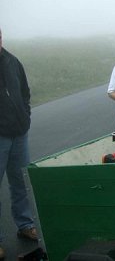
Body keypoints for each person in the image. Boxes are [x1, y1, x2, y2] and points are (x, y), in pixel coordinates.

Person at [0, 28, 38, 259]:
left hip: (19, 134)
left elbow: (24, 92)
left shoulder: (12, 61)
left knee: (20, 182)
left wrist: (26, 116)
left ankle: (25, 225)